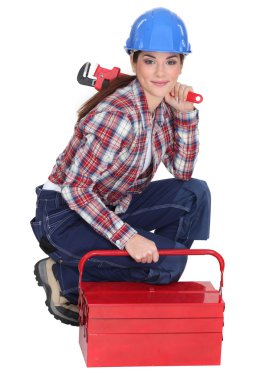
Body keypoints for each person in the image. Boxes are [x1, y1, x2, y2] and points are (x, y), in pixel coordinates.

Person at [31, 7, 211, 326]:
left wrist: (185, 114)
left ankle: (150, 272)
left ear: (182, 65)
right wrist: (128, 238)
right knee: (169, 265)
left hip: (109, 204)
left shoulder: (157, 106)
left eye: (170, 61)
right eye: (149, 60)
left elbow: (183, 169)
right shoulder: (120, 115)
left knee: (195, 194)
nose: (160, 72)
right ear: (133, 61)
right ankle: (64, 273)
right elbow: (76, 189)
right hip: (64, 215)